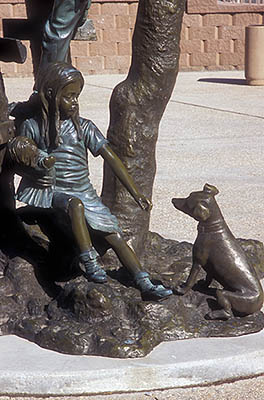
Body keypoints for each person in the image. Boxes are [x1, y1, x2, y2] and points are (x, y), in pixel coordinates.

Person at [15, 62, 172, 300]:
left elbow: (113, 160)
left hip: (84, 191)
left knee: (115, 235)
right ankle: (89, 261)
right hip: (53, 191)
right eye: (68, 96)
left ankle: (144, 281)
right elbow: (24, 157)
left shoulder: (84, 128)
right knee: (74, 205)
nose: (74, 102)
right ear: (50, 95)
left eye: (77, 96)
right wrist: (39, 162)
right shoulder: (32, 127)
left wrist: (136, 193)